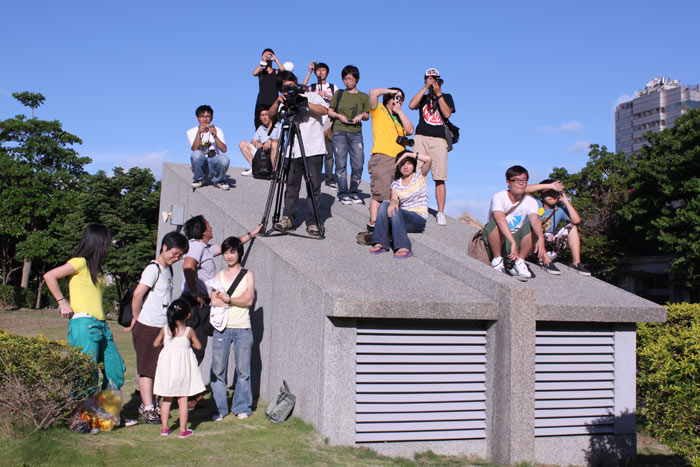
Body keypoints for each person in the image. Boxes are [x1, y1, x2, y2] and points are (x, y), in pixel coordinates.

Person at [43, 224, 126, 390]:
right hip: (84, 324)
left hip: (101, 325)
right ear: (99, 242)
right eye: (108, 241)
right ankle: (81, 415)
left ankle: (104, 414)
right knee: (86, 374)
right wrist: (62, 301)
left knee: (115, 369)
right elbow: (50, 275)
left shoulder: (96, 268)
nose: (110, 245)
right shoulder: (80, 262)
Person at [125, 231, 189, 424]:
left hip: (162, 327)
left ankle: (152, 403)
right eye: (174, 253)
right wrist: (136, 319)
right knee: (146, 369)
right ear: (164, 247)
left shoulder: (168, 269)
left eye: (180, 255)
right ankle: (148, 408)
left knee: (158, 368)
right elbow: (137, 295)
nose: (176, 258)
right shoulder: (153, 269)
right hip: (147, 325)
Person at [182, 216, 261, 363]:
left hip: (201, 303)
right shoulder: (196, 246)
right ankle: (184, 384)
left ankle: (187, 383)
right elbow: (188, 266)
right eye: (208, 225)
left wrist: (251, 234)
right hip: (194, 304)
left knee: (196, 348)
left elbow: (227, 247)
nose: (211, 227)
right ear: (203, 231)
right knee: (194, 350)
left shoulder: (204, 248)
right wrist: (195, 293)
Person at [268, 71, 329, 237]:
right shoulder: (284, 100)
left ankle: (314, 221)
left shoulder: (311, 96)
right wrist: (278, 101)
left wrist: (305, 103)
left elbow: (325, 110)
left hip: (314, 149)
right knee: (291, 186)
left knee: (313, 186)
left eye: (292, 83)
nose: (291, 87)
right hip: (292, 149)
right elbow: (271, 116)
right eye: (286, 86)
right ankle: (288, 218)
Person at [209, 236, 255, 421]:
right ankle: (219, 409)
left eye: (232, 252)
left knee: (243, 371)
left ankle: (242, 407)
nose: (229, 256)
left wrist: (227, 299)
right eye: (226, 252)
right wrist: (237, 299)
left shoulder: (247, 274)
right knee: (218, 370)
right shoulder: (218, 275)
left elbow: (249, 301)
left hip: (243, 327)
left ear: (239, 253)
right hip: (222, 327)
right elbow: (213, 300)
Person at [408, 68, 456, 226]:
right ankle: (415, 204)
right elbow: (411, 105)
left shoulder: (446, 96)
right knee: (416, 173)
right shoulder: (423, 96)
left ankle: (440, 212)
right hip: (421, 136)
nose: (432, 81)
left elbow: (447, 114)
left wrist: (439, 93)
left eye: (434, 78)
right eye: (429, 78)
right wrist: (425, 88)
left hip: (439, 138)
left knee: (440, 177)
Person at [153, 298, 205, 438]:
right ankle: (183, 430)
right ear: (188, 315)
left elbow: (155, 343)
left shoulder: (165, 330)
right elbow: (199, 346)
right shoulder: (189, 331)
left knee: (166, 399)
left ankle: (164, 428)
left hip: (167, 369)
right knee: (183, 400)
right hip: (182, 369)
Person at [483, 165, 547, 279]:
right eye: (517, 180)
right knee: (496, 223)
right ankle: (497, 259)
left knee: (535, 227)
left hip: (515, 240)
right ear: (508, 182)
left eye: (524, 180)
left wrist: (541, 238)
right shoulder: (499, 196)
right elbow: (500, 218)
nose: (521, 183)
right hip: (497, 240)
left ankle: (520, 261)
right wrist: (512, 242)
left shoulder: (531, 202)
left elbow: (534, 219)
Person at [367, 87, 414, 230]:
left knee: (396, 194)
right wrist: (390, 91)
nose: (397, 100)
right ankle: (374, 223)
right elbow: (373, 93)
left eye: (400, 99)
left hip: (400, 159)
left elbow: (411, 130)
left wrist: (399, 111)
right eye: (396, 97)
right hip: (382, 157)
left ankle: (389, 223)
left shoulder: (399, 117)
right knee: (380, 193)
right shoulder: (379, 110)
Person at [370, 151, 432, 258]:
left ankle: (403, 246)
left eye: (408, 163)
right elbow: (394, 198)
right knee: (385, 205)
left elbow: (429, 160)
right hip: (400, 218)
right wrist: (393, 202)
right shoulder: (396, 183)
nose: (405, 166)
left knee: (393, 210)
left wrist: (410, 154)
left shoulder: (420, 175)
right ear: (398, 166)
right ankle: (381, 242)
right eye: (402, 164)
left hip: (417, 219)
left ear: (413, 164)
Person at [327, 65, 370, 205]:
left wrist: (361, 115)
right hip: (339, 130)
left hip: (356, 132)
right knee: (341, 163)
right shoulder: (339, 93)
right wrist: (339, 116)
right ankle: (343, 192)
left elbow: (368, 115)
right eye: (345, 79)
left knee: (358, 163)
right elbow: (330, 111)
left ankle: (353, 191)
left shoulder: (363, 96)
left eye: (350, 78)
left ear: (356, 79)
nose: (347, 81)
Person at [529, 179, 591, 276]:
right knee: (536, 227)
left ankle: (576, 263)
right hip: (531, 247)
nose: (552, 196)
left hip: (549, 248)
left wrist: (566, 201)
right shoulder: (535, 203)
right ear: (541, 194)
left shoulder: (559, 210)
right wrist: (550, 186)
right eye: (548, 193)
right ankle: (546, 262)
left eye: (555, 193)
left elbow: (576, 220)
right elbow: (524, 190)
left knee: (572, 227)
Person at [301, 61, 337, 189]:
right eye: (318, 70)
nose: (320, 72)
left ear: (327, 72)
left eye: (323, 70)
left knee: (328, 151)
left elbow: (339, 102)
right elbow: (301, 89)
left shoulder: (333, 87)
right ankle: (311, 175)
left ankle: (329, 178)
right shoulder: (311, 86)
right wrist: (309, 72)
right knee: (312, 150)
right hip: (313, 121)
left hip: (328, 122)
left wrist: (326, 95)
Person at [187, 105, 229, 190]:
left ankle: (218, 181)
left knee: (224, 159)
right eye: (201, 116)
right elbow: (195, 149)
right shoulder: (191, 131)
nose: (205, 119)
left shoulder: (218, 130)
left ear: (211, 118)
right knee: (196, 154)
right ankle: (198, 179)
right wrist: (199, 133)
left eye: (207, 116)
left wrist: (215, 136)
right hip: (201, 163)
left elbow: (224, 150)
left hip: (214, 162)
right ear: (197, 118)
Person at [238, 107, 281, 176]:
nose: (264, 117)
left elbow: (282, 140)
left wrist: (270, 141)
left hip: (275, 152)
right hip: (263, 153)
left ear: (270, 115)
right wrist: (257, 143)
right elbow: (253, 141)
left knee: (274, 144)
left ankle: (275, 172)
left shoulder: (278, 125)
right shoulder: (260, 128)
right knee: (242, 143)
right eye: (262, 115)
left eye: (266, 115)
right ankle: (255, 168)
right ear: (260, 118)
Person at [253, 48, 284, 129]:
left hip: (273, 102)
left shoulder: (276, 72)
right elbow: (254, 73)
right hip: (261, 102)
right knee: (259, 126)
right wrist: (262, 62)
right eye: (266, 55)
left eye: (269, 55)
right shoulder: (261, 72)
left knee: (275, 125)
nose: (268, 57)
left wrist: (275, 59)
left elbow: (284, 72)